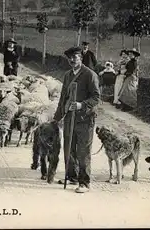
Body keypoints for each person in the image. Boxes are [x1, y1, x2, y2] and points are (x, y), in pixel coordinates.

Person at [51, 46, 100, 194]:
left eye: (75, 57)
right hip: (69, 118)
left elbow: (96, 97)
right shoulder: (67, 75)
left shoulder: (90, 75)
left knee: (83, 151)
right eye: (70, 58)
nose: (72, 60)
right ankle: (71, 176)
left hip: (85, 119)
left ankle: (84, 182)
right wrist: (57, 117)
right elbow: (63, 98)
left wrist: (81, 105)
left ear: (81, 58)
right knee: (69, 148)